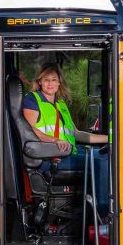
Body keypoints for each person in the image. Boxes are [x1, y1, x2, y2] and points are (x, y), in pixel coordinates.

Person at [21, 62, 109, 210]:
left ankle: (90, 206)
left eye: (54, 79)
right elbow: (30, 131)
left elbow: (76, 134)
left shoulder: (60, 104)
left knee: (107, 156)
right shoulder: (32, 99)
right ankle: (103, 213)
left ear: (59, 82)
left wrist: (112, 139)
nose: (50, 84)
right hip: (49, 159)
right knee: (101, 163)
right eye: (46, 80)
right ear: (40, 82)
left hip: (68, 153)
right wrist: (55, 140)